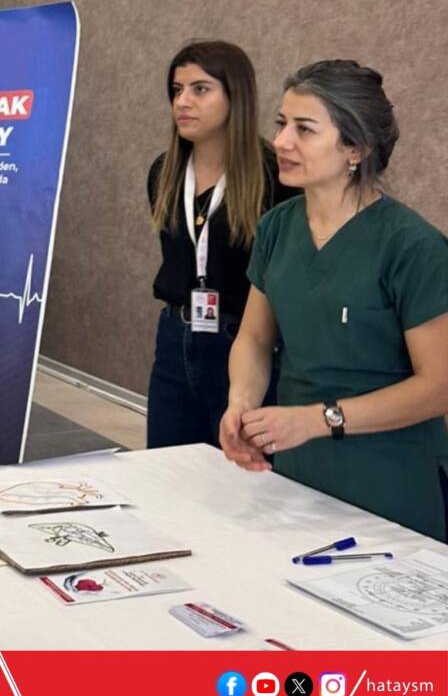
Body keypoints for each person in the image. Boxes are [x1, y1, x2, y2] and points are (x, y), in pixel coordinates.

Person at [220, 61, 448, 541]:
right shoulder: (277, 227)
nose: (281, 141)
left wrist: (319, 419)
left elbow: (438, 387)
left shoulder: (413, 247)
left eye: (304, 129)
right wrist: (241, 404)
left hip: (387, 477)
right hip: (297, 466)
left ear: (355, 149)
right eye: (282, 123)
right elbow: (255, 339)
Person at [147, 41, 297, 449]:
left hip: (243, 342)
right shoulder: (164, 172)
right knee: (166, 464)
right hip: (175, 336)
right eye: (177, 90)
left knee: (240, 470)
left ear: (236, 96)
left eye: (200, 89)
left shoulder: (273, 176)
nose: (183, 102)